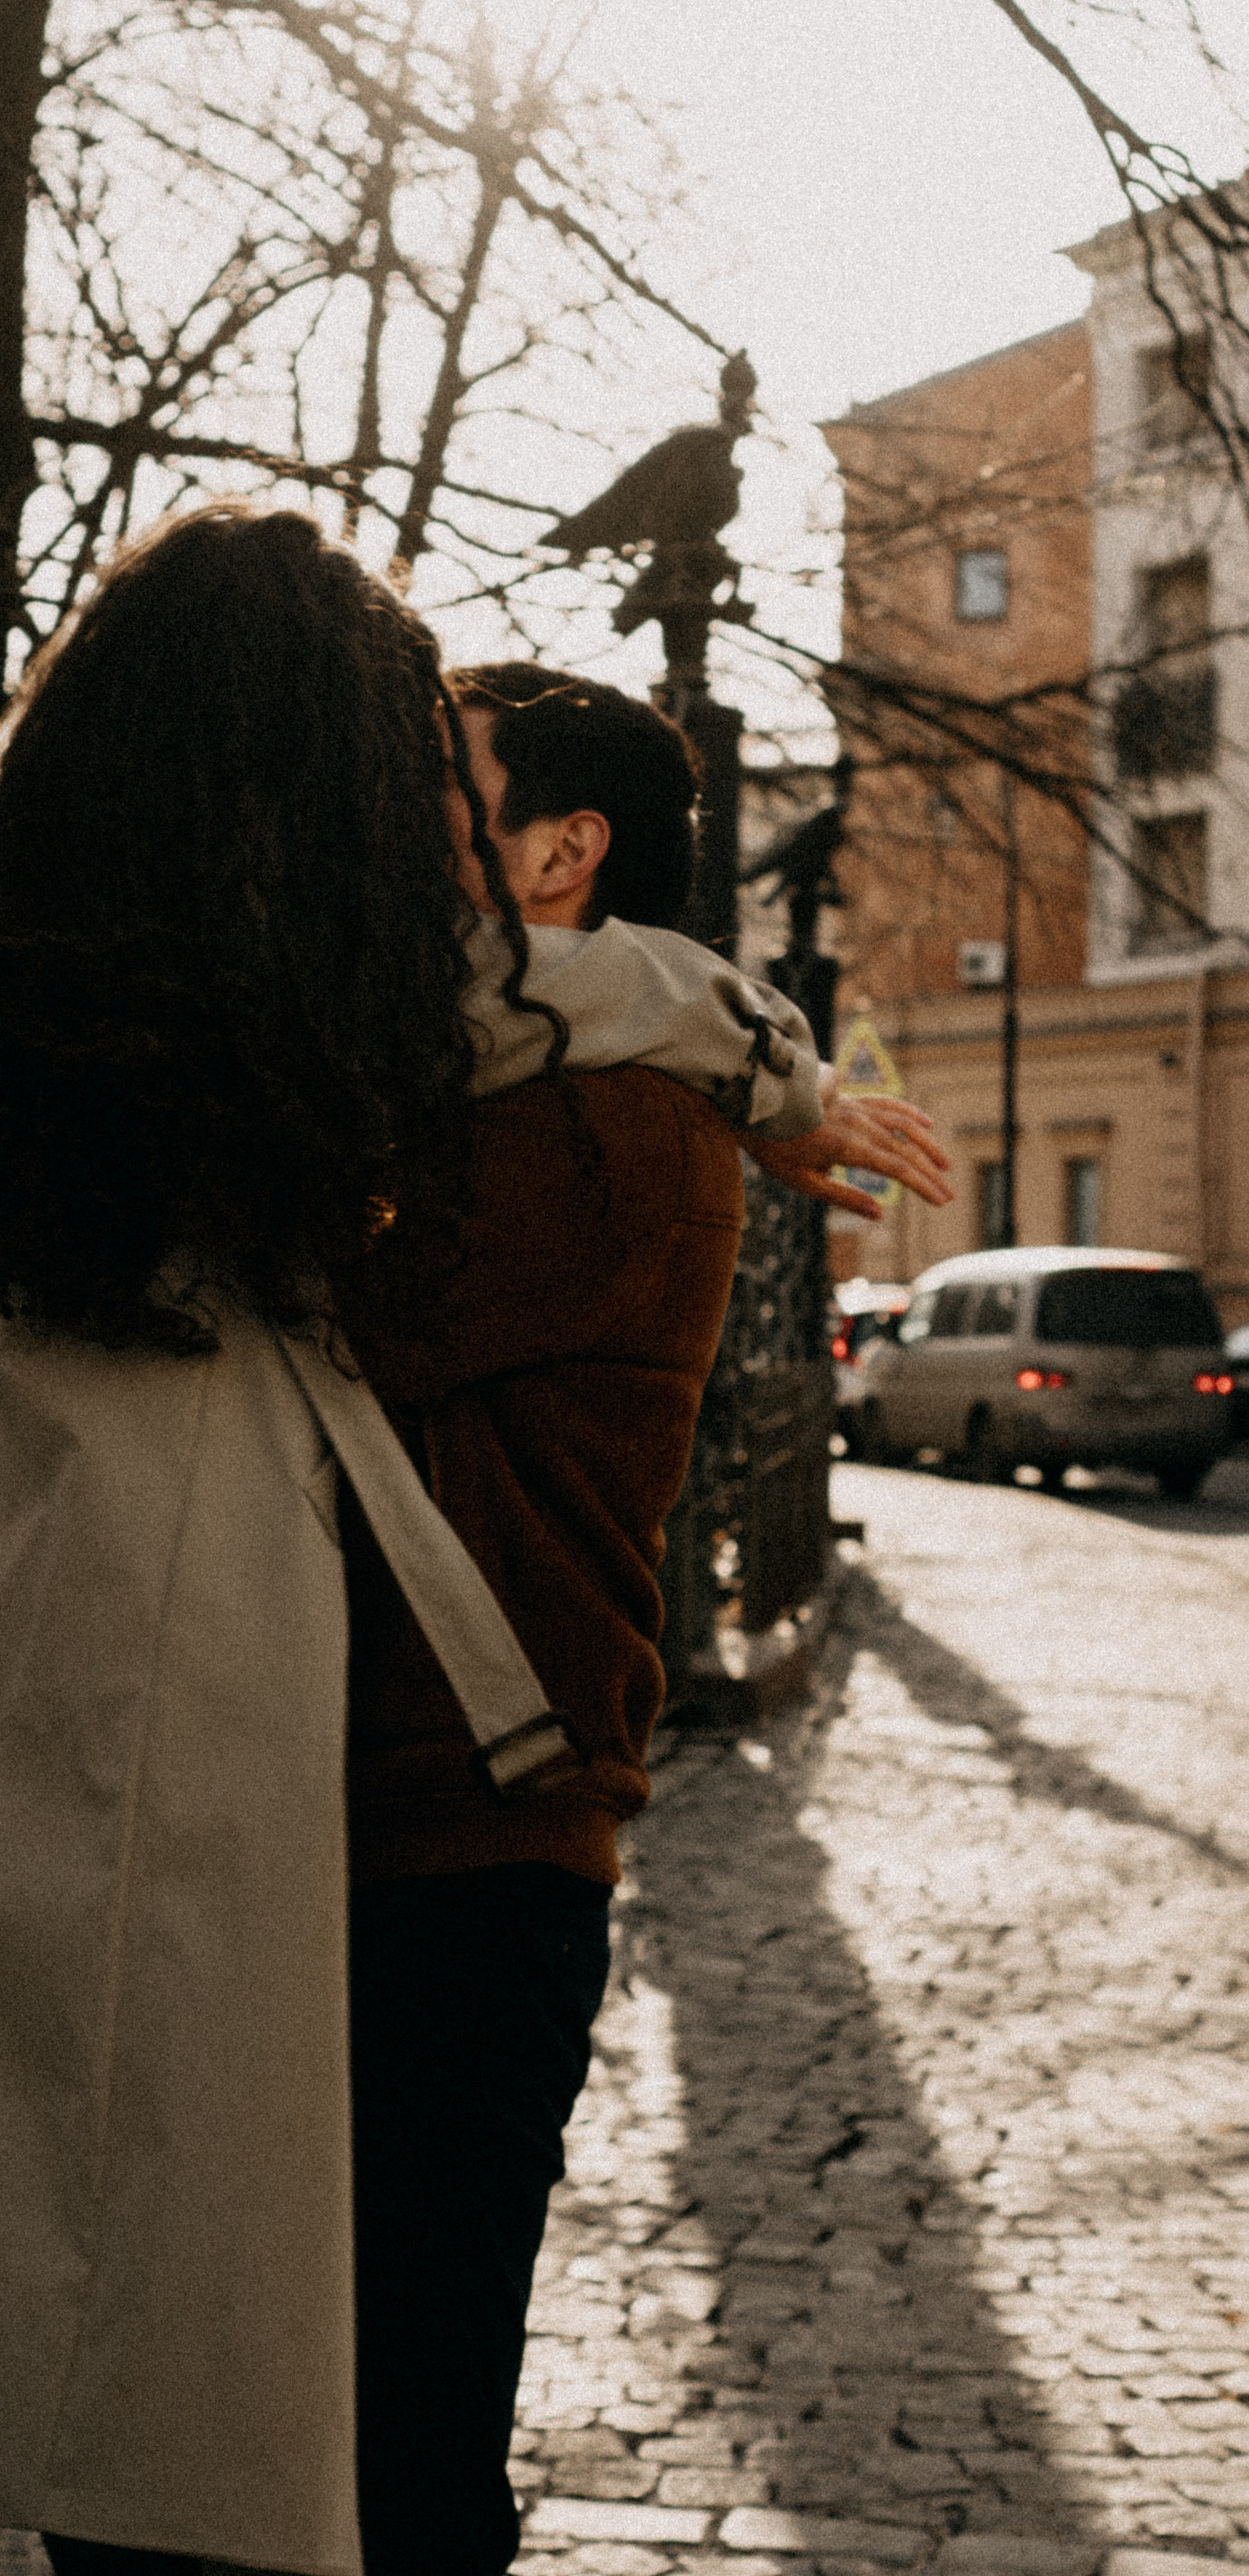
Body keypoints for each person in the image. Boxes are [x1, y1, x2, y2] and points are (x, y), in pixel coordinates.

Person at [0, 545, 946, 2576]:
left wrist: (731, 1040)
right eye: (391, 772)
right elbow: (414, 1067)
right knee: (200, 2451)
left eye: (444, 782)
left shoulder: (436, 1112)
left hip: (414, 1841)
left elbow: (445, 1054)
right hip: (266, 1837)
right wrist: (740, 1034)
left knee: (270, 2449)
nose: (407, 821)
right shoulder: (286, 1123)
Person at [333, 658, 949, 2574]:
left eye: (442, 789)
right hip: (417, 1804)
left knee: (399, 2431)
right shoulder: (567, 1074)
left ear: (559, 852)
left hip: (463, 1823)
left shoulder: (598, 1130)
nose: (389, 828)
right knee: (346, 2411)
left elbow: (320, 1317)